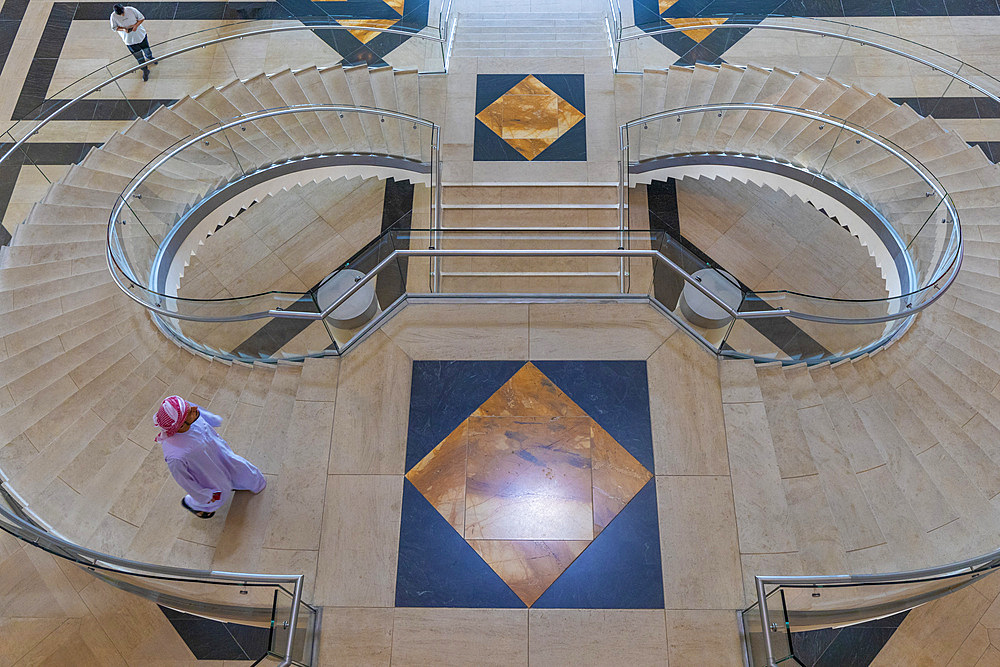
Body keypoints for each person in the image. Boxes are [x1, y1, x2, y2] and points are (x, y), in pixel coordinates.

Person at [154, 396, 266, 519]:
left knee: (241, 468)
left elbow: (197, 411)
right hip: (209, 474)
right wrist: (204, 495)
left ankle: (254, 483)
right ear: (180, 425)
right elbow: (185, 481)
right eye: (189, 412)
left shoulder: (189, 414)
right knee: (219, 495)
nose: (194, 408)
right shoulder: (175, 456)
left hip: (221, 453)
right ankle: (193, 504)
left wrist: (213, 420)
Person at [110, 4, 155, 81]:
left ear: (123, 8)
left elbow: (142, 18)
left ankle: (150, 57)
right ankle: (145, 70)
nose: (122, 15)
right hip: (129, 41)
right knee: (139, 57)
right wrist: (124, 29)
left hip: (141, 36)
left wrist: (135, 26)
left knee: (147, 49)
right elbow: (114, 28)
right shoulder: (113, 16)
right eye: (120, 14)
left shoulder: (131, 10)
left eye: (123, 13)